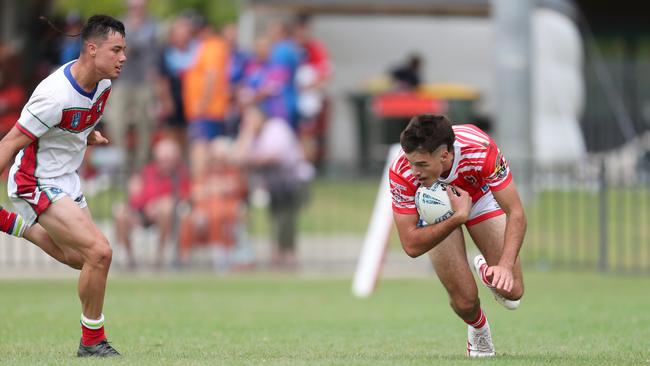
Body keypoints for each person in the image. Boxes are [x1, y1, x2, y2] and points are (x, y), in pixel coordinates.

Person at [0, 15, 126, 357]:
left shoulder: (102, 83)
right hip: (35, 180)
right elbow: (10, 143)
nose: (122, 57)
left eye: (123, 50)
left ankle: (9, 223)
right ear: (92, 48)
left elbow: (69, 126)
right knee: (99, 253)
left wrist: (88, 137)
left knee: (78, 259)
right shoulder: (54, 95)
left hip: (65, 178)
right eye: (116, 49)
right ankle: (92, 341)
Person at [389, 114, 526, 357]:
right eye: (411, 162)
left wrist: (504, 265)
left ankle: (488, 269)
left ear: (445, 155)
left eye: (421, 165)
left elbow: (516, 212)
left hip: (480, 198)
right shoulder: (401, 170)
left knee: (512, 291)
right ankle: (479, 329)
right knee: (465, 302)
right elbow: (410, 245)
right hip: (436, 215)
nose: (413, 171)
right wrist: (457, 217)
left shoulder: (481, 149)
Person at [234, 106, 314, 269]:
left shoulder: (276, 128)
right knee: (275, 218)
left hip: (294, 181)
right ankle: (278, 253)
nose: (248, 123)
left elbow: (273, 156)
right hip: (275, 185)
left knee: (286, 218)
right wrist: (247, 134)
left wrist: (250, 160)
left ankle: (288, 254)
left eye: (251, 119)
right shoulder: (252, 136)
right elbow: (238, 157)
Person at [113, 138, 191, 269]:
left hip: (167, 216)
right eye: (162, 159)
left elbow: (185, 195)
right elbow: (135, 198)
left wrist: (160, 203)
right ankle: (127, 257)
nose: (164, 163)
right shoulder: (147, 172)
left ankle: (160, 256)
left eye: (168, 159)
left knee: (165, 208)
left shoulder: (180, 174)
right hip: (142, 211)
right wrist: (143, 202)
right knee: (120, 211)